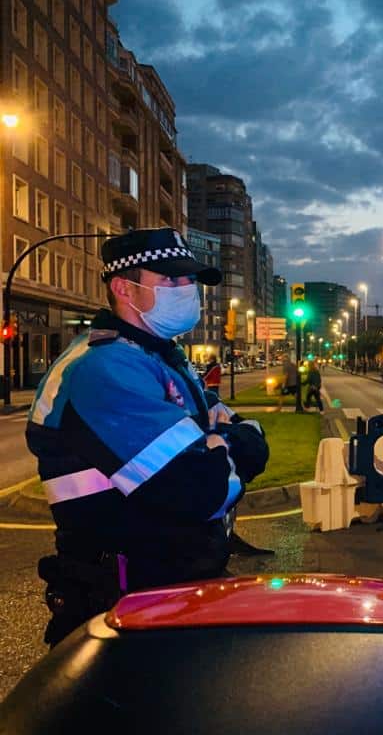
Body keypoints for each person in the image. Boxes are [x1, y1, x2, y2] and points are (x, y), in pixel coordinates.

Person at [26, 228, 269, 647]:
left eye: (189, 280)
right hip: (125, 602)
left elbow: (250, 439)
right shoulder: (104, 368)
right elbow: (200, 489)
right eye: (171, 280)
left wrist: (221, 445)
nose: (187, 289)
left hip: (172, 585)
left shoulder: (160, 359)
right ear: (124, 287)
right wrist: (225, 445)